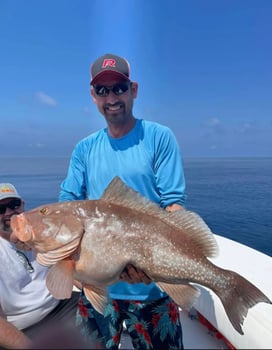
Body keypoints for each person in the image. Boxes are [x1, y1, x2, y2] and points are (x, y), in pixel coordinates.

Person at [59, 53, 187, 349]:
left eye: (119, 87)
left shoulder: (159, 137)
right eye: (102, 90)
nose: (111, 97)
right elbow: (68, 202)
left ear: (134, 90)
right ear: (93, 96)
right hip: (97, 287)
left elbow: (173, 204)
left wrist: (161, 263)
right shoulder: (84, 149)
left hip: (152, 286)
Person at [0, 183, 82, 349]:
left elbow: (71, 272)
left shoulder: (40, 236)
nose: (9, 213)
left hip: (61, 308)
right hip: (23, 330)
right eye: (0, 209)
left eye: (13, 205)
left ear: (22, 205)